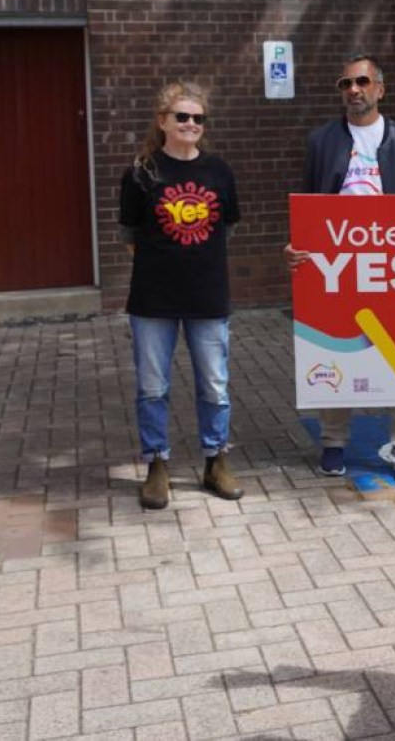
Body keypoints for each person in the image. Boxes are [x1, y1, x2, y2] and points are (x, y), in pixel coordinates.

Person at [283, 54, 395, 485]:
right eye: (345, 83)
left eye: (362, 81)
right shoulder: (322, 141)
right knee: (332, 346)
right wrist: (297, 247)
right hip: (338, 265)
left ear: (379, 89)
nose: (353, 89)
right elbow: (308, 203)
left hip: (392, 263)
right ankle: (333, 443)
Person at [119, 81, 243, 510]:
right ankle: (156, 465)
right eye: (182, 117)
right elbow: (130, 234)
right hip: (153, 299)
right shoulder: (141, 172)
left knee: (215, 385)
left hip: (208, 296)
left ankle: (216, 460)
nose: (191, 124)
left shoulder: (219, 171)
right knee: (152, 387)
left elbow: (226, 227)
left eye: (198, 118)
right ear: (163, 121)